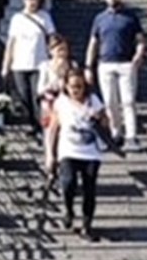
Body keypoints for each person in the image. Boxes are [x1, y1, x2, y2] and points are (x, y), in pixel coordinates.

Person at [44, 69, 110, 242]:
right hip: (68, 150)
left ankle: (87, 225)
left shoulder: (94, 101)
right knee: (68, 182)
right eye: (72, 86)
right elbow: (53, 129)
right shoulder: (61, 102)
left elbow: (106, 122)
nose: (76, 90)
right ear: (66, 86)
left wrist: (99, 118)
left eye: (79, 86)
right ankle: (69, 210)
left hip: (91, 152)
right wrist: (50, 154)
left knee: (90, 189)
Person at [86, 0, 146, 152]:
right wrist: (88, 65)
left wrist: (139, 54)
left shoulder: (131, 17)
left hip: (126, 63)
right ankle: (115, 132)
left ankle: (131, 136)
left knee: (128, 101)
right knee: (110, 102)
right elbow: (93, 42)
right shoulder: (99, 18)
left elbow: (140, 39)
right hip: (105, 63)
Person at [4, 0, 57, 138]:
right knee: (23, 95)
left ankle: (41, 125)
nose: (32, 2)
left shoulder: (44, 17)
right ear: (24, 0)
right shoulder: (17, 19)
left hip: (40, 63)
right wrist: (6, 65)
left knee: (37, 95)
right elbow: (11, 43)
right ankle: (31, 124)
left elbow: (52, 38)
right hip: (20, 63)